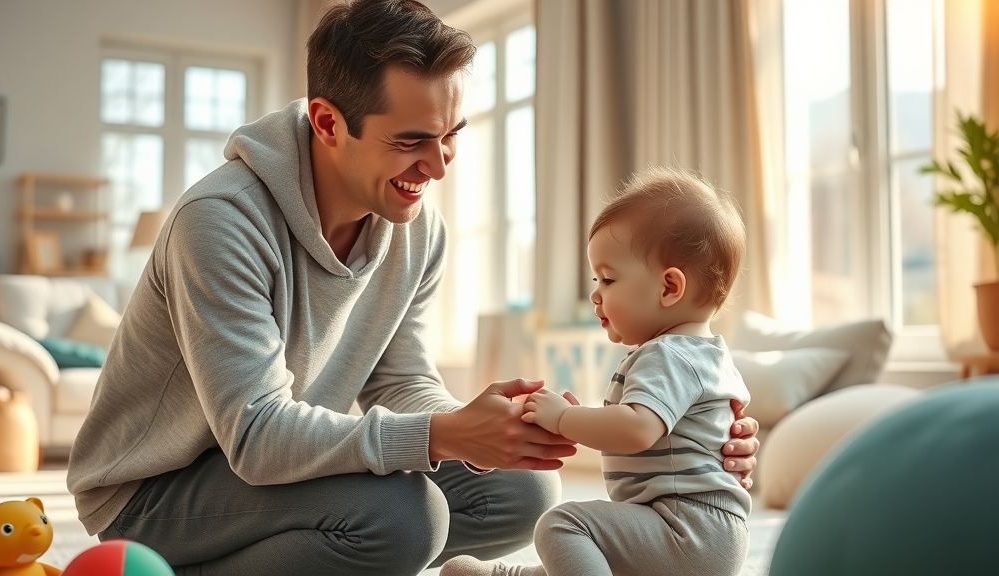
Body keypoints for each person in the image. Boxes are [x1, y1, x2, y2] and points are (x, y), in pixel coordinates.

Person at [66, 2, 760, 575]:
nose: (438, 165)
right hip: (157, 491)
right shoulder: (219, 225)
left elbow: (401, 381)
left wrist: (487, 429)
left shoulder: (416, 227)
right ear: (329, 123)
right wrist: (438, 435)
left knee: (521, 490)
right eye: (411, 141)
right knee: (405, 520)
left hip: (287, 467)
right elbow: (253, 435)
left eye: (451, 135)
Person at [443, 166, 753, 576]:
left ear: (669, 288)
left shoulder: (669, 355)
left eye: (608, 279)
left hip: (685, 532)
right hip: (700, 534)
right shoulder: (706, 355)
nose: (595, 293)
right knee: (588, 556)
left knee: (563, 525)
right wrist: (582, 419)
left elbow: (636, 430)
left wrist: (566, 418)